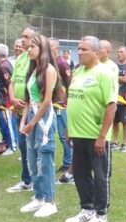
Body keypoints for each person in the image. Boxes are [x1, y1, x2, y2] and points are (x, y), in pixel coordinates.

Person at [64, 36, 116, 222]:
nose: (80, 52)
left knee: (101, 176)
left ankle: (101, 215)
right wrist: (69, 129)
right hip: (78, 133)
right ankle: (87, 208)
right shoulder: (78, 72)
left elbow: (111, 106)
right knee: (80, 173)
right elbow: (73, 102)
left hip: (96, 136)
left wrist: (102, 136)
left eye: (84, 49)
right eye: (79, 48)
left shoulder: (104, 73)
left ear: (96, 52)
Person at [17, 34, 64, 218]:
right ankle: (38, 196)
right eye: (28, 47)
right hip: (31, 116)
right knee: (31, 157)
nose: (28, 50)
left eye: (32, 47)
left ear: (42, 49)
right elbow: (29, 99)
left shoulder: (49, 70)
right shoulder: (33, 69)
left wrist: (32, 122)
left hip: (44, 119)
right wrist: (23, 120)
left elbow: (46, 102)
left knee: (44, 158)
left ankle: (49, 201)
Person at [4, 27, 36, 193]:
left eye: (26, 37)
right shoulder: (21, 58)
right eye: (22, 36)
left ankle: (35, 181)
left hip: (31, 111)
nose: (23, 40)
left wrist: (26, 103)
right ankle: (27, 180)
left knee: (32, 146)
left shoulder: (37, 60)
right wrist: (14, 99)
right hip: (18, 108)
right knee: (23, 146)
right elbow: (13, 82)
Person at [49, 37, 73, 175]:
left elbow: (70, 83)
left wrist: (67, 101)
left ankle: (68, 163)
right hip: (50, 103)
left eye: (50, 46)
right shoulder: (49, 63)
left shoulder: (62, 64)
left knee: (64, 135)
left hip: (61, 106)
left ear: (56, 48)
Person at [0, 43, 16, 156]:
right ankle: (6, 142)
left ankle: (12, 146)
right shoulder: (2, 65)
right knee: (3, 124)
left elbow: (9, 84)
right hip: (0, 101)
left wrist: (9, 100)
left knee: (8, 124)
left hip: (5, 101)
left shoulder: (4, 66)